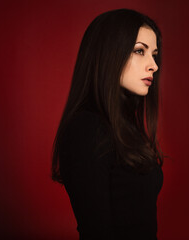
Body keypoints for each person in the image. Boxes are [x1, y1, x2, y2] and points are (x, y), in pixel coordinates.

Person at [52, 8, 164, 240]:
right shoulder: (87, 129)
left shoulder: (124, 127)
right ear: (108, 54)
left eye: (154, 54)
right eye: (139, 51)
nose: (154, 65)